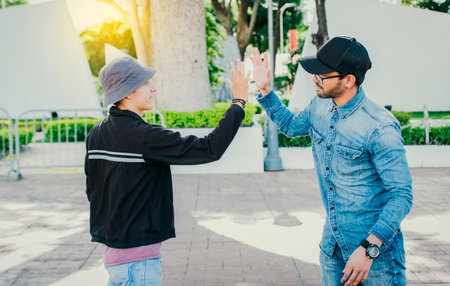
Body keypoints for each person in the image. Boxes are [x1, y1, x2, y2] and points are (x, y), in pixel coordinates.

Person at [250, 36, 413, 286]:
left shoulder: (379, 127)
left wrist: (369, 249)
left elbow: (401, 195)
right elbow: (291, 126)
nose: (315, 78)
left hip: (375, 257)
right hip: (332, 248)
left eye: (322, 74)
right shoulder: (319, 105)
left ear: (348, 80)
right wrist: (264, 89)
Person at [84, 56, 249, 286]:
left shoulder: (96, 134)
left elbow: (93, 190)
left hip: (113, 254)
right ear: (128, 92)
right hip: (138, 259)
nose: (153, 88)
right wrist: (238, 102)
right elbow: (210, 148)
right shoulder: (145, 136)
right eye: (145, 83)